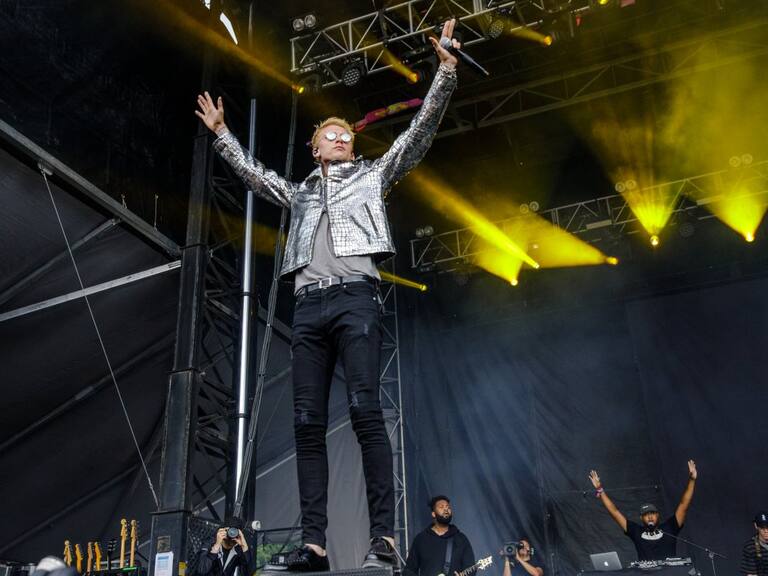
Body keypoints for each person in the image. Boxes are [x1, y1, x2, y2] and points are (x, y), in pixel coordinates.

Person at [195, 18, 461, 572]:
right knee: (306, 424)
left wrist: (445, 73)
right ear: (315, 147)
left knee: (365, 411)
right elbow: (255, 175)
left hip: (356, 299)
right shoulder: (299, 194)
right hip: (309, 306)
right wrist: (222, 134)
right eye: (332, 135)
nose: (342, 139)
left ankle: (383, 539)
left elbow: (417, 137)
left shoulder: (371, 175)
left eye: (347, 135)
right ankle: (313, 545)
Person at [588, 460, 697, 561]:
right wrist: (600, 489)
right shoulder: (636, 532)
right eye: (646, 514)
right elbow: (615, 513)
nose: (650, 517)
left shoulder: (670, 528)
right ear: (641, 518)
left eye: (652, 513)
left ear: (657, 515)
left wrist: (692, 480)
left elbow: (684, 504)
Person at [404, 495, 475, 576]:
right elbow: (408, 570)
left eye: (448, 507)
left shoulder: (461, 539)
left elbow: (471, 568)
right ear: (433, 514)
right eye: (441, 507)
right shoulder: (421, 539)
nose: (446, 509)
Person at [740, 511, 768, 576]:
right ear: (756, 526)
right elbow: (751, 574)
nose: (766, 531)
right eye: (762, 527)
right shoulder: (750, 547)